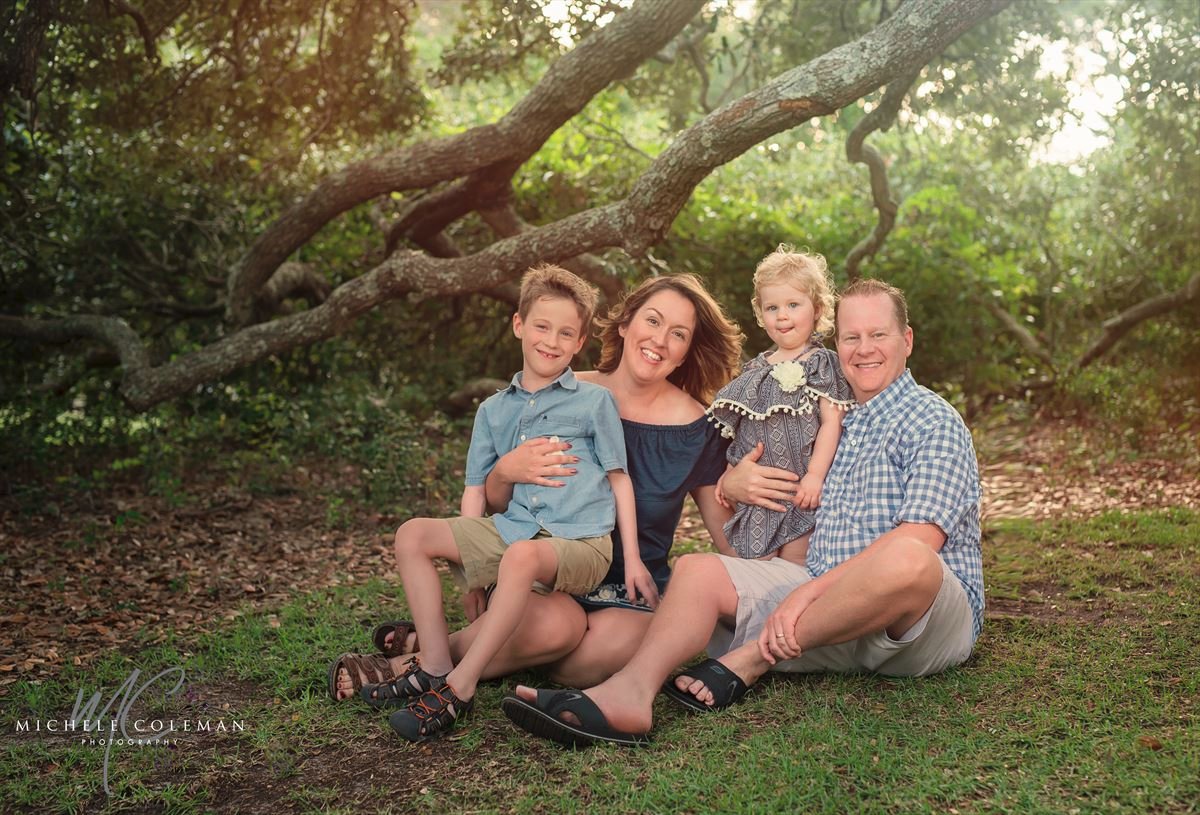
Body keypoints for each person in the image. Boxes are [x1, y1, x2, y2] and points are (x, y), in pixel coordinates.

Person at [502, 278, 984, 747]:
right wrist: (731, 483)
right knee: (695, 571)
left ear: (907, 340)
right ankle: (630, 696)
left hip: (915, 622)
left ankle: (753, 658)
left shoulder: (931, 419)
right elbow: (761, 475)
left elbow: (920, 542)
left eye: (878, 335)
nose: (863, 349)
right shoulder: (820, 414)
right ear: (834, 344)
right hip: (828, 613)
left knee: (908, 557)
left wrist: (807, 593)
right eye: (850, 337)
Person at [328, 273, 743, 707]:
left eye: (678, 333)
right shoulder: (559, 388)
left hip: (625, 590)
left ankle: (449, 644)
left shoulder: (700, 427)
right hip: (538, 568)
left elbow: (726, 537)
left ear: (689, 348)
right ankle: (409, 667)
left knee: (597, 658)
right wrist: (504, 473)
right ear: (625, 324)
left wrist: (739, 490)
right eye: (653, 321)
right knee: (554, 629)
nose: (660, 340)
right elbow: (498, 503)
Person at [336, 263, 644, 742]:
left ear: (579, 343)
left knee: (522, 556)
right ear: (519, 326)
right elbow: (476, 489)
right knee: (412, 534)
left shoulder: (592, 402)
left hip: (581, 542)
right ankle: (435, 665)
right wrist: (470, 573)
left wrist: (635, 561)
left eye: (566, 333)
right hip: (516, 529)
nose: (552, 340)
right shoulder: (493, 410)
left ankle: (459, 687)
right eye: (542, 326)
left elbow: (619, 479)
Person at [708, 245, 852, 562]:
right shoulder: (756, 370)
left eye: (793, 304)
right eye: (772, 308)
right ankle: (755, 609)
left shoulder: (823, 364)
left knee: (797, 564)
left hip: (803, 491)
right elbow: (744, 431)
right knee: (756, 563)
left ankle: (795, 609)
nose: (782, 315)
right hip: (762, 495)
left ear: (816, 309)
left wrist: (815, 475)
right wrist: (729, 472)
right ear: (761, 313)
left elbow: (832, 423)